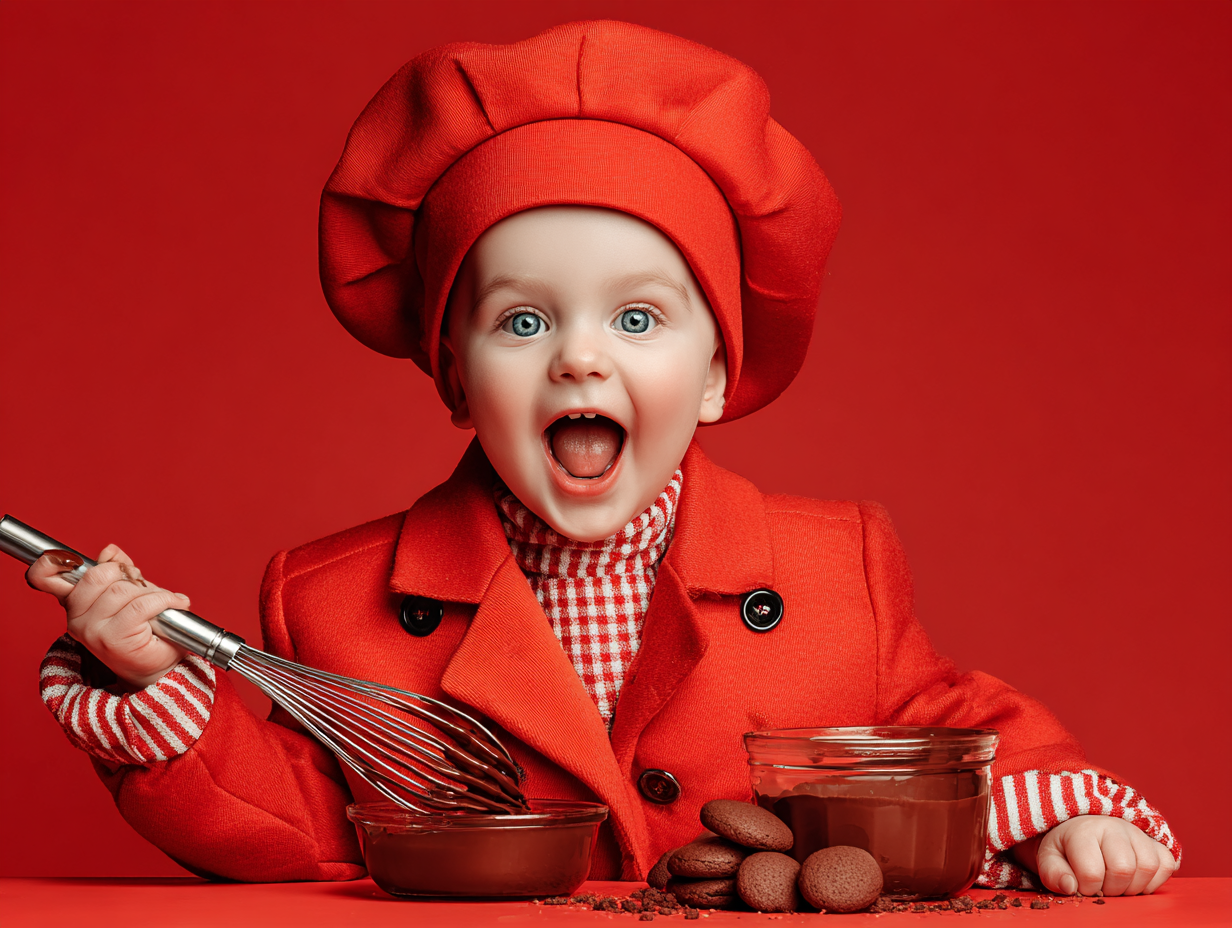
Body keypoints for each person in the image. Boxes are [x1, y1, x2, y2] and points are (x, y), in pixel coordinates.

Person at [26, 21, 1178, 895]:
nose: (579, 359)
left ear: (719, 371)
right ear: (451, 377)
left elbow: (950, 723)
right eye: (522, 323)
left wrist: (1055, 818)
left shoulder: (837, 569)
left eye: (637, 320)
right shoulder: (332, 605)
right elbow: (300, 824)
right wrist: (150, 685)